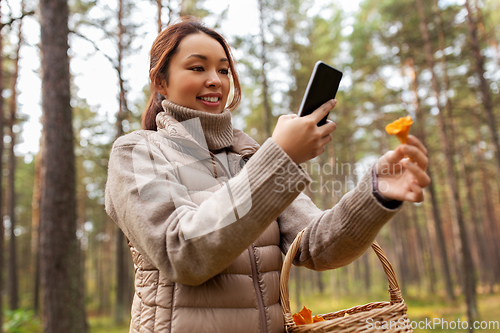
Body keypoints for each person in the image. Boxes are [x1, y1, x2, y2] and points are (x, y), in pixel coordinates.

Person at [104, 17, 430, 333]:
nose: (215, 79)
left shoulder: (253, 157)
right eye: (197, 67)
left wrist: (376, 192)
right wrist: (280, 157)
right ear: (160, 81)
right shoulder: (136, 153)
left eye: (223, 69)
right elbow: (183, 255)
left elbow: (316, 246)